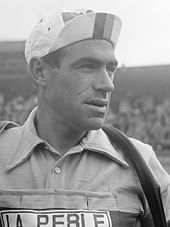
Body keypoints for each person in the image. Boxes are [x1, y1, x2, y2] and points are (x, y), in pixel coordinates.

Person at [0, 9, 169, 227]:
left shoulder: (142, 162)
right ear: (40, 72)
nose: (108, 84)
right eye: (87, 66)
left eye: (110, 68)